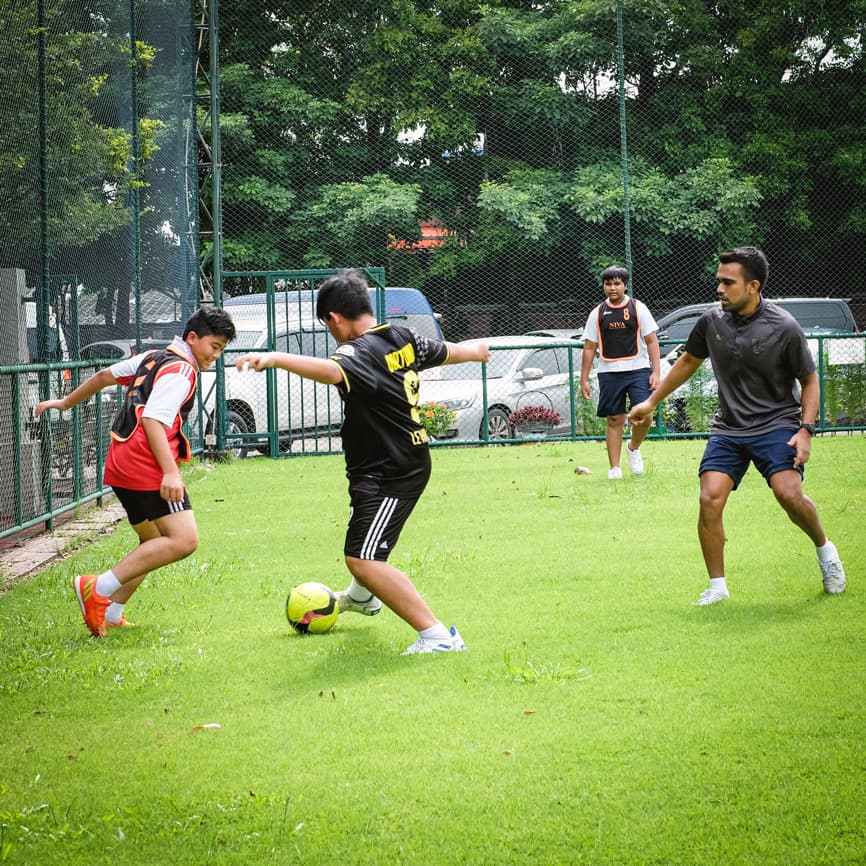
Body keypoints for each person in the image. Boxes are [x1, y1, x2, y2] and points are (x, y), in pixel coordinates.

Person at [235, 269, 490, 655]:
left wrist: (274, 358)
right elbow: (447, 352)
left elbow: (331, 370)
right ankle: (362, 598)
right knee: (366, 543)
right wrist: (476, 351)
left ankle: (438, 638)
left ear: (334, 318)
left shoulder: (357, 351)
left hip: (392, 468)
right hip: (392, 461)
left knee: (364, 559)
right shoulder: (401, 335)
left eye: (328, 327)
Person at [628, 246, 846, 604]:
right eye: (719, 281)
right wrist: (652, 401)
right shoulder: (711, 321)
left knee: (789, 495)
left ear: (753, 286)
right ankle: (718, 587)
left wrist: (806, 431)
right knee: (709, 498)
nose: (719, 289)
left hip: (777, 424)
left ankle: (826, 552)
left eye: (728, 283)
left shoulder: (784, 326)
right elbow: (688, 361)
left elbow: (809, 381)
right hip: (729, 428)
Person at [35, 307, 237, 636]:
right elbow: (153, 420)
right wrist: (171, 473)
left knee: (153, 541)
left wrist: (66, 403)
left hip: (120, 462)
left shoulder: (153, 357)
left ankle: (112, 611)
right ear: (192, 338)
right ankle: (97, 588)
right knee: (184, 540)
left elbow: (104, 376)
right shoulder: (182, 370)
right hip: (146, 466)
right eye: (214, 346)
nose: (216, 355)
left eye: (221, 349)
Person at [580, 265, 661, 478]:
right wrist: (584, 379)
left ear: (625, 285)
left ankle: (633, 448)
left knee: (644, 415)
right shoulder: (597, 313)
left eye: (617, 283)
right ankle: (614, 468)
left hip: (638, 369)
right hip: (609, 372)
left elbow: (652, 341)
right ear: (603, 286)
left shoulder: (638, 308)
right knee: (614, 419)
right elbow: (589, 347)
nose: (612, 288)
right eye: (608, 284)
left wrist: (656, 372)